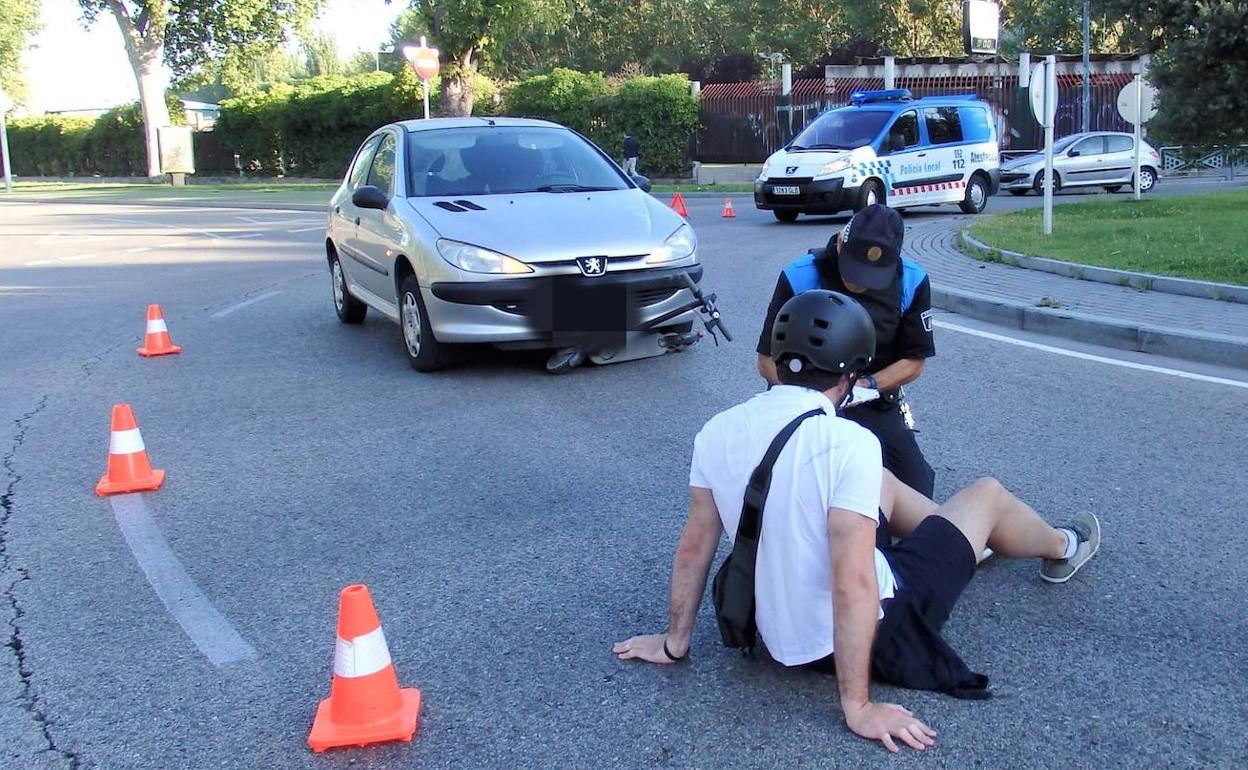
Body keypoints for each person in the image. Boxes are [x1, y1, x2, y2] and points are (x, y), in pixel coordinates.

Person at [614, 290, 1100, 753]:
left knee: (880, 482)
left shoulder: (716, 431)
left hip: (772, 628)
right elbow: (854, 580)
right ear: (848, 376)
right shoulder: (848, 442)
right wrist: (858, 706)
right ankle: (1063, 546)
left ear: (781, 362)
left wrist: (675, 643)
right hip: (860, 635)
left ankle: (969, 545)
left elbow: (694, 546)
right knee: (987, 494)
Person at [756, 204, 937, 498]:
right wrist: (815, 399)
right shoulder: (799, 275)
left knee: (916, 485)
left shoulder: (912, 281)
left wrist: (868, 385)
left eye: (872, 276)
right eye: (854, 269)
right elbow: (765, 359)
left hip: (869, 395)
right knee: (792, 484)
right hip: (803, 396)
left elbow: (914, 361)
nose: (859, 282)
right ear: (841, 242)